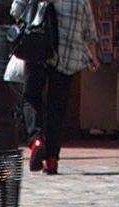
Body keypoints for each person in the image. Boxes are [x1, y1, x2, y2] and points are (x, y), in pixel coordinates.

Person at [11, 0, 96, 174]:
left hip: (37, 49)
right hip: (66, 57)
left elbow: (16, 10)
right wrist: (93, 57)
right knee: (57, 106)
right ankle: (52, 160)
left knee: (31, 97)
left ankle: (36, 141)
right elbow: (89, 31)